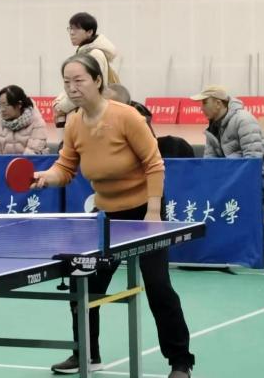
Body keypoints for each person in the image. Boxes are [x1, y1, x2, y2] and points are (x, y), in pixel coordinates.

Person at [33, 54, 194, 378]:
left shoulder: (127, 116)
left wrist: (152, 212)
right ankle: (86, 354)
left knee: (158, 287)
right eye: (66, 82)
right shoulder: (75, 123)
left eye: (79, 80)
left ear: (97, 81)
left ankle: (180, 361)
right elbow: (66, 167)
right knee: (83, 284)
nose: (72, 87)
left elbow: (154, 164)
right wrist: (46, 177)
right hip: (106, 215)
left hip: (143, 210)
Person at [192, 85, 264, 256]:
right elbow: (210, 163)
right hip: (235, 178)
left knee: (248, 192)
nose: (201, 108)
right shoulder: (212, 128)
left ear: (218, 103)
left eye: (205, 103)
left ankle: (258, 247)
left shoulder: (244, 120)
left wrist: (228, 176)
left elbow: (253, 161)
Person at [53, 12, 118, 139]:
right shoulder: (83, 52)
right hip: (82, 110)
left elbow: (91, 89)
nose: (72, 33)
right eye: (70, 28)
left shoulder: (95, 54)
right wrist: (59, 103)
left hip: (91, 113)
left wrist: (62, 107)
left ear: (89, 32)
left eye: (76, 29)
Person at [0, 85, 49, 154]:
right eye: (0, 105)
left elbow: (33, 153)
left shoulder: (37, 123)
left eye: (6, 105)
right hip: (3, 162)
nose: (2, 109)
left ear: (19, 104)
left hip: (29, 161)